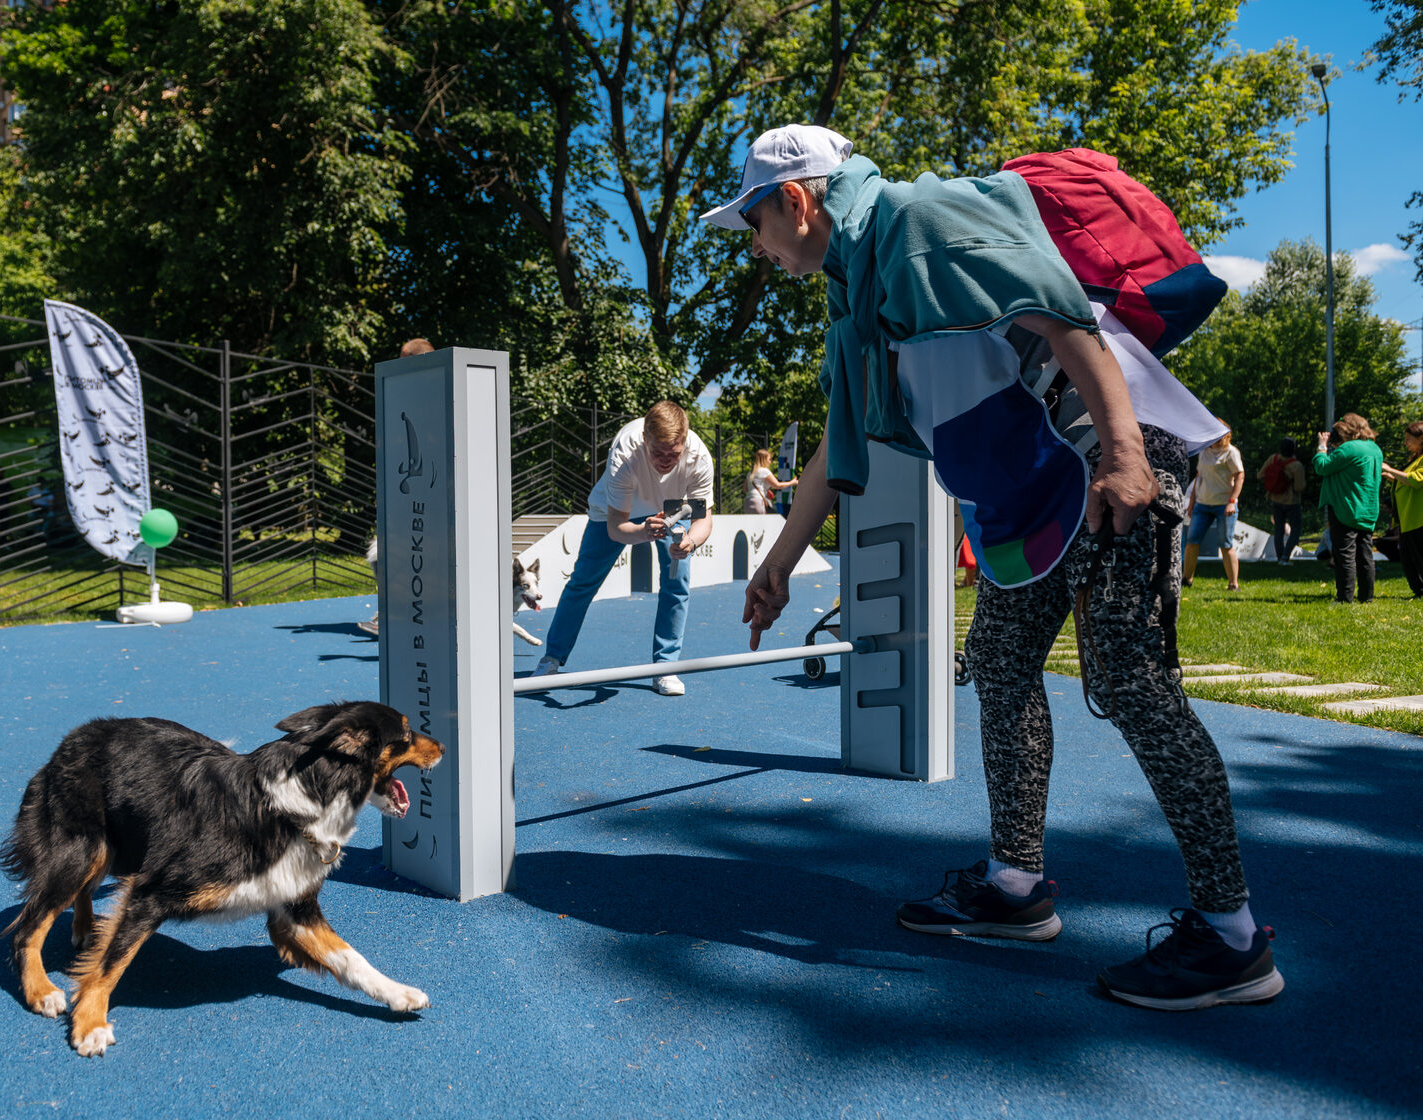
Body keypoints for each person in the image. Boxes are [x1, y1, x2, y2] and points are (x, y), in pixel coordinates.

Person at [706, 124, 1279, 1010]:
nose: (757, 248)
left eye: (753, 225)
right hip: (1033, 495)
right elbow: (836, 444)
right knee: (1004, 665)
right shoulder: (855, 299)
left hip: (1102, 454)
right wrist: (778, 563)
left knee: (1131, 681)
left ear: (797, 199)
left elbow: (1066, 316)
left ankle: (1233, 936)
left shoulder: (919, 223)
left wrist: (1125, 457)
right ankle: (1015, 888)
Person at [530, 401, 714, 696]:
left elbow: (703, 521)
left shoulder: (699, 457)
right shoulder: (625, 451)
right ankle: (552, 658)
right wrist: (642, 531)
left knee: (677, 582)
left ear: (685, 442)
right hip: (614, 513)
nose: (666, 461)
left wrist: (690, 542)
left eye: (674, 454)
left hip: (670, 509)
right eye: (658, 453)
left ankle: (664, 667)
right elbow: (617, 528)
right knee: (583, 582)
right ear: (645, 439)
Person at [360, 337, 436, 638]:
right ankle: (393, 614)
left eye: (400, 358)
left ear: (412, 360)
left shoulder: (430, 393)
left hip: (425, 489)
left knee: (393, 555)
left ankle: (394, 615)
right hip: (407, 488)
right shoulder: (408, 394)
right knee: (384, 555)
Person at [1314, 413, 1384, 604]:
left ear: (1347, 430)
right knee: (1365, 555)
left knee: (1344, 554)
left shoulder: (1349, 448)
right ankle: (1367, 597)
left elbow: (1322, 467)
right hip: (1367, 509)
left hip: (1346, 508)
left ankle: (1344, 598)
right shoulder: (1375, 449)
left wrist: (1322, 446)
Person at [1181, 423, 1244, 590]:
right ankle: (1187, 579)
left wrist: (1232, 501)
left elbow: (1240, 476)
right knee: (1192, 541)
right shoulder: (1203, 451)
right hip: (1202, 504)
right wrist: (1192, 501)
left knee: (1225, 544)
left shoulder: (1231, 452)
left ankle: (1233, 584)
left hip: (1224, 505)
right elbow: (1199, 476)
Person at [1381, 421, 1423, 598]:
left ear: (1421, 438)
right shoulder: (1415, 458)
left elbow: (1415, 480)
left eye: (1408, 439)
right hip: (1407, 518)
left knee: (1419, 557)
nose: (1405, 443)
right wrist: (1391, 477)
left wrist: (1391, 470)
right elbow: (1407, 481)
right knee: (1407, 559)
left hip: (1418, 518)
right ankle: (1418, 591)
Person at [1259, 437, 1306, 565]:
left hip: (1275, 500)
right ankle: (1285, 557)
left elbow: (1260, 475)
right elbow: (1299, 487)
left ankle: (1280, 558)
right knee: (1295, 530)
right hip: (1292, 502)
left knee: (1278, 530)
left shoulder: (1273, 459)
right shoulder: (1296, 465)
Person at [743, 447, 797, 514]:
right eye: (769, 459)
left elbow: (745, 489)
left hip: (748, 502)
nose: (770, 461)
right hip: (758, 502)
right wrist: (792, 482)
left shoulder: (750, 472)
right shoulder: (764, 471)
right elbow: (777, 485)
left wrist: (765, 490)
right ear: (764, 459)